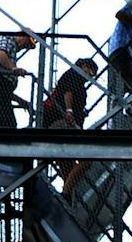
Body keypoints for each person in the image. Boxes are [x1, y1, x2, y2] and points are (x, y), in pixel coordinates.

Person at [39, 53, 98, 199]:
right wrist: (69, 111)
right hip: (61, 124)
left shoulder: (79, 85)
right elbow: (68, 92)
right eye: (90, 71)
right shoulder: (73, 74)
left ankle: (67, 197)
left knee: (68, 167)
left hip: (63, 125)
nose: (91, 75)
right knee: (87, 158)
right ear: (83, 66)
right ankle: (66, 194)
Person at [0, 27, 37, 130]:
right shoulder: (8, 38)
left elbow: (3, 92)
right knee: (3, 123)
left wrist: (20, 101)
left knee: (4, 123)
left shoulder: (11, 53)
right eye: (27, 43)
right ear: (22, 36)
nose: (25, 47)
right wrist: (13, 68)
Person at [106, 2, 132, 108]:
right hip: (121, 50)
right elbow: (119, 14)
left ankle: (131, 103)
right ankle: (118, 105)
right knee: (129, 81)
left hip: (128, 56)